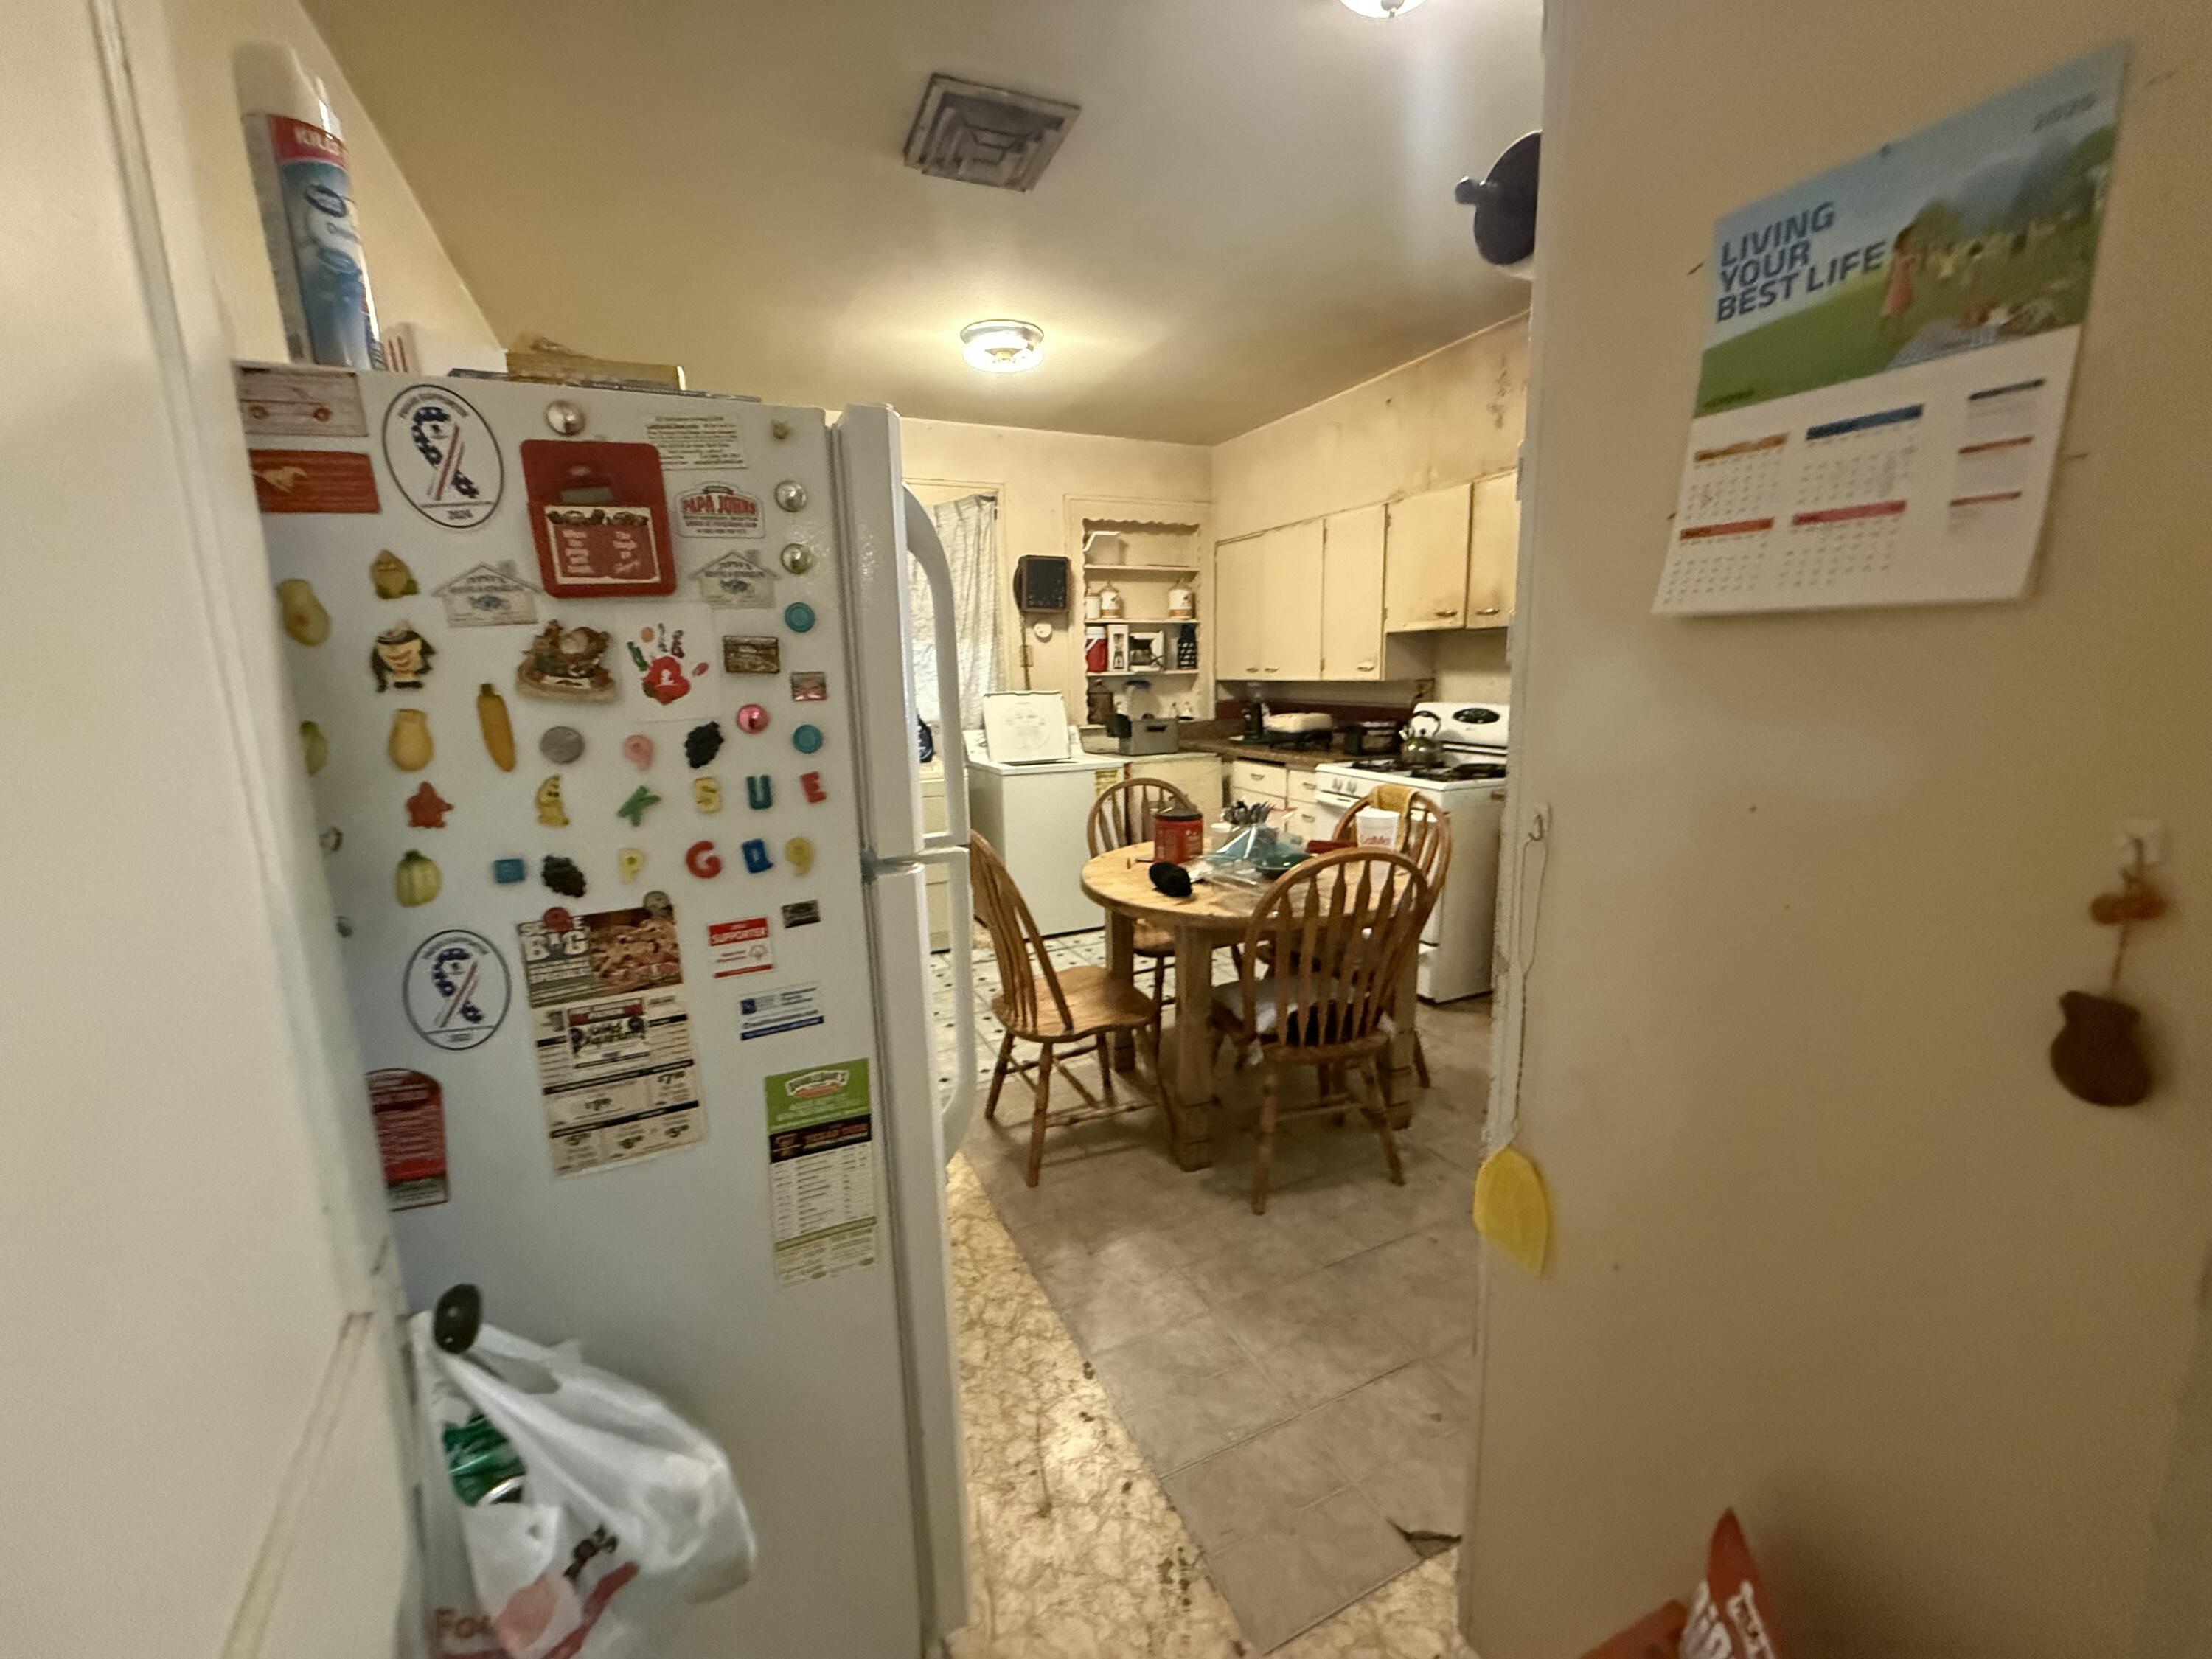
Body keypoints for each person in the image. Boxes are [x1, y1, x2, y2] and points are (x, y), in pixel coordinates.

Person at [1877, 225, 1917, 346]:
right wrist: (1887, 281)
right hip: (1897, 283)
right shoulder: (1898, 254)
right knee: (1889, 311)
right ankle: (1880, 338)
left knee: (1900, 312)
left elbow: (1910, 266)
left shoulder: (1907, 254)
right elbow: (1892, 268)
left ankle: (1895, 336)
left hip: (1904, 283)